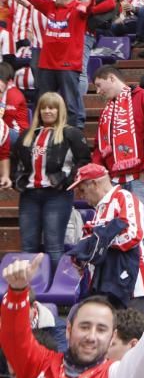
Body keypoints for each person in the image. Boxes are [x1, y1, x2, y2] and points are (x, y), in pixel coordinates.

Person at [0, 253, 144, 378]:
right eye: (84, 326)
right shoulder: (41, 366)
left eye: (101, 329)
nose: (91, 336)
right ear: (69, 329)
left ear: (112, 337)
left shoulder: (117, 377)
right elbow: (15, 338)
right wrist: (17, 291)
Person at [2, 0, 115, 127]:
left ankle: (74, 131)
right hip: (47, 63)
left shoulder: (80, 10)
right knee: (44, 99)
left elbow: (110, 2)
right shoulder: (49, 7)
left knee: (70, 101)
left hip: (68, 64)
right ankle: (43, 131)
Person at [91, 65, 144, 258]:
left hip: (141, 176)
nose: (98, 92)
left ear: (111, 78)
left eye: (99, 85)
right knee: (120, 230)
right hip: (116, 180)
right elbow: (100, 147)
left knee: (143, 228)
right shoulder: (108, 110)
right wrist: (98, 173)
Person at [10, 91, 89, 266]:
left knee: (54, 246)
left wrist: (66, 182)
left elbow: (84, 161)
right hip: (29, 195)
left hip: (57, 196)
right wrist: (17, 180)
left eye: (52, 108)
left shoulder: (71, 134)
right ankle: (28, 288)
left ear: (60, 111)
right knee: (28, 246)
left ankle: (54, 287)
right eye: (44, 108)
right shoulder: (27, 135)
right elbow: (13, 159)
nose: (47, 111)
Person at [69, 163, 144, 307]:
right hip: (105, 285)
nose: (81, 196)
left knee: (128, 329)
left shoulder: (123, 197)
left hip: (130, 286)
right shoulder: (99, 208)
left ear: (94, 184)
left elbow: (133, 235)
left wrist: (98, 243)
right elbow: (97, 242)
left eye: (82, 190)